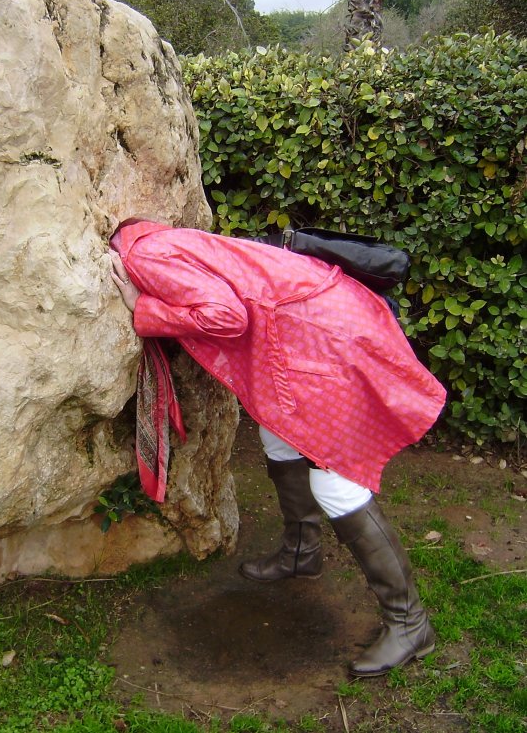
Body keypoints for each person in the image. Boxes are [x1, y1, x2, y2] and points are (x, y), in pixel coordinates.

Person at [108, 217, 447, 678]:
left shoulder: (142, 257)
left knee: (336, 483)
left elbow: (226, 316)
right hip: (318, 327)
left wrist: (143, 307)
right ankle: (300, 553)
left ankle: (410, 624)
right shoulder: (164, 239)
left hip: (326, 341)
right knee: (278, 433)